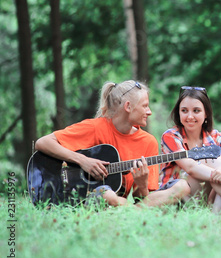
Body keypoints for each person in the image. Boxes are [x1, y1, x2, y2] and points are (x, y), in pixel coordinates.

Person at [35, 80, 190, 207]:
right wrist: (83, 160)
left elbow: (141, 199)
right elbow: (43, 143)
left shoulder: (148, 142)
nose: (149, 111)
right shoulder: (95, 127)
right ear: (128, 106)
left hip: (120, 203)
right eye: (145, 106)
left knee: (182, 186)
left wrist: (142, 185)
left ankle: (132, 212)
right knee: (107, 194)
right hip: (98, 197)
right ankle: (133, 212)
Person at [160, 86, 221, 212]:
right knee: (213, 160)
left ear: (206, 114)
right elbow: (191, 168)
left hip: (205, 199)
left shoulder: (217, 137)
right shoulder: (171, 136)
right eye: (184, 110)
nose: (189, 116)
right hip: (178, 197)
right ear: (178, 112)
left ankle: (216, 216)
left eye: (196, 111)